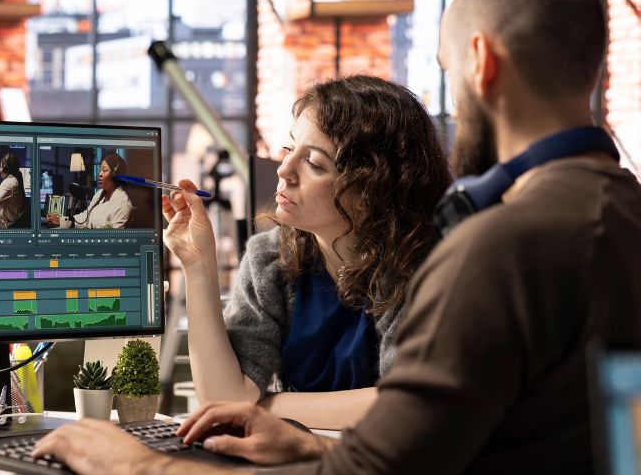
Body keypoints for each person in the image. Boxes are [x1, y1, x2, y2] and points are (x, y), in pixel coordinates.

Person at [33, 0, 641, 475]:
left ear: (480, 61)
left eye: (448, 72)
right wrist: (300, 439)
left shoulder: (501, 249)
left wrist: (140, 467)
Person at [165, 76, 452, 430]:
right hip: (294, 462)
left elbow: (406, 404)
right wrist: (198, 266)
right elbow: (225, 400)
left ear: (370, 192)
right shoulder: (269, 258)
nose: (284, 170)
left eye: (314, 164)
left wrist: (265, 407)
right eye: (289, 149)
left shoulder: (420, 268)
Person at [46, 153, 134, 229]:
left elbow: (112, 239)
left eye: (104, 170)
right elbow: (85, 217)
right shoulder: (100, 194)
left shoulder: (123, 205)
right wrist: (61, 220)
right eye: (100, 170)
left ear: (117, 175)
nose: (100, 174)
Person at [0, 152, 26, 228]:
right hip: (13, 223)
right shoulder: (14, 179)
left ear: (6, 168)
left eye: (1, 166)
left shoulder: (8, 182)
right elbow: (0, 196)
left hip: (6, 225)